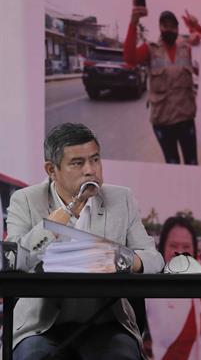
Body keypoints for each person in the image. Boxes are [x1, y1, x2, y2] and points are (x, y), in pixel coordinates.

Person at [6, 122, 164, 359]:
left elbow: (154, 259)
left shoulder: (121, 199)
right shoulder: (25, 200)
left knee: (122, 354)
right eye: (78, 163)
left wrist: (125, 259)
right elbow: (17, 260)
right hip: (41, 326)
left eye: (96, 159)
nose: (90, 170)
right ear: (51, 170)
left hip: (105, 322)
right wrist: (69, 211)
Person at [124, 3, 198, 165]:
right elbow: (129, 58)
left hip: (186, 119)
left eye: (173, 26)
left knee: (192, 164)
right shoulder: (150, 49)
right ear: (160, 27)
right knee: (172, 164)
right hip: (162, 122)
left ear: (178, 29)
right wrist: (134, 21)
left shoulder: (187, 49)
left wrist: (196, 28)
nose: (169, 29)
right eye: (166, 25)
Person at [145, 216, 201, 360]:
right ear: (162, 247)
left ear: (195, 250)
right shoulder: (147, 285)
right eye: (173, 246)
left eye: (186, 247)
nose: (179, 252)